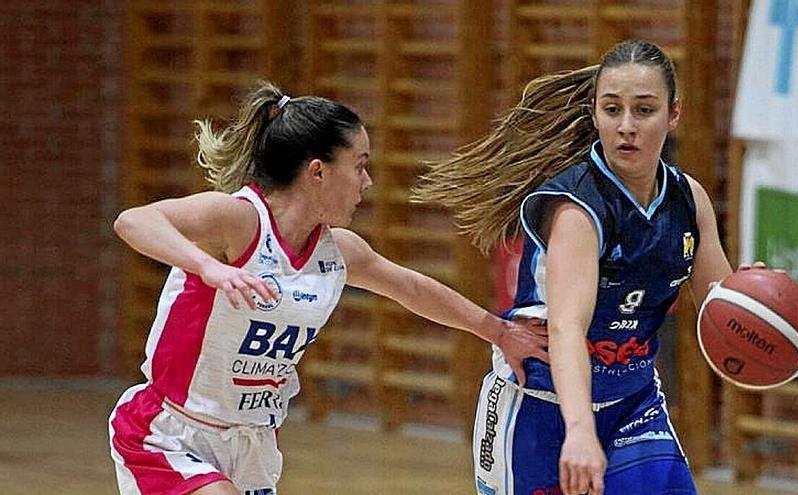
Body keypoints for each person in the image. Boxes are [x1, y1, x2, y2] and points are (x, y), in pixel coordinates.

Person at [108, 81, 549, 495]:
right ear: (317, 172)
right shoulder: (238, 220)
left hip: (253, 443)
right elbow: (134, 220)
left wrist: (500, 331)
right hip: (171, 433)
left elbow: (412, 289)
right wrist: (208, 268)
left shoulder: (338, 251)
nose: (367, 182)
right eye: (359, 166)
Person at [413, 39, 736, 495]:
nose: (626, 126)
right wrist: (580, 429)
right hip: (541, 407)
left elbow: (716, 306)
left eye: (644, 111)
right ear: (594, 113)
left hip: (633, 405)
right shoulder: (578, 209)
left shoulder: (689, 198)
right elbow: (567, 328)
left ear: (674, 114)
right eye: (612, 109)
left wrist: (748, 303)